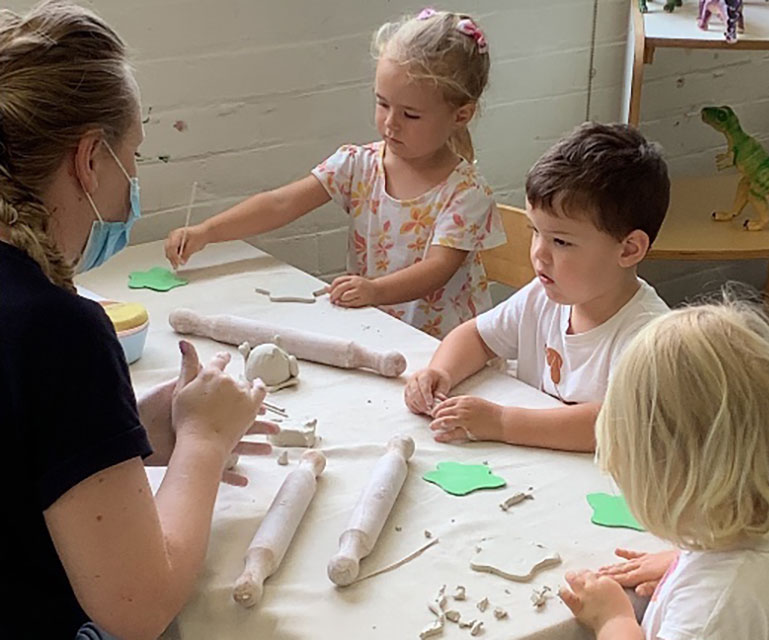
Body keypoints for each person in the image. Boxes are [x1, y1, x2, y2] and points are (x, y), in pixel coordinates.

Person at [0, 2, 274, 637]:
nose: (134, 185)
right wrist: (203, 442)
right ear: (90, 159)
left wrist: (122, 434)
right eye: (136, 158)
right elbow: (138, 605)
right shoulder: (57, 329)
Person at [164, 8, 506, 337]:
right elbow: (281, 203)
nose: (390, 123)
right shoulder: (358, 165)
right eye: (382, 103)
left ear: (461, 115)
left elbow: (437, 269)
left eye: (410, 115)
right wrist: (207, 231)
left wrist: (373, 290)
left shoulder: (466, 192)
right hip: (375, 329)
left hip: (442, 349)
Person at [405, 122, 670, 450]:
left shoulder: (652, 338)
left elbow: (612, 424)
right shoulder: (543, 296)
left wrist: (502, 422)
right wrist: (440, 373)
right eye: (535, 231)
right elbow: (476, 337)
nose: (538, 254)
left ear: (629, 249)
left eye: (560, 241)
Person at [560, 302, 769, 639]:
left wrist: (613, 620)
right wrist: (684, 559)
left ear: (674, 477)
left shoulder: (714, 609)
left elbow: (730, 601)